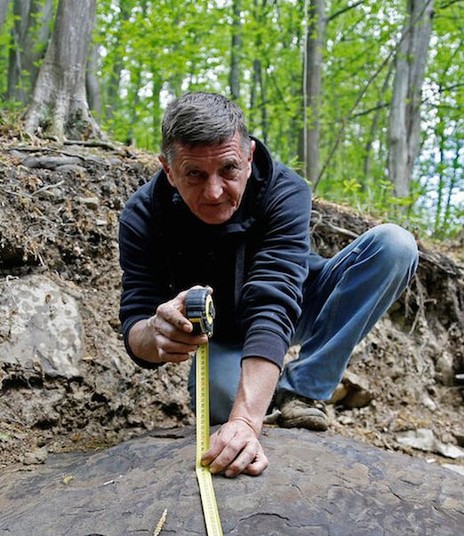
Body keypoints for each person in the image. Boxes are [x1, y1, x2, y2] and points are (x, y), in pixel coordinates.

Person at [119, 92, 418, 478]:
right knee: (221, 410)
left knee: (394, 245)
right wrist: (154, 336)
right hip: (221, 335)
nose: (214, 192)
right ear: (168, 169)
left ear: (248, 157)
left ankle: (303, 388)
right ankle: (265, 389)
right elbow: (135, 323)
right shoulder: (142, 215)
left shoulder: (285, 190)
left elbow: (273, 301)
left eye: (228, 170)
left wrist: (248, 421)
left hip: (302, 304)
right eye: (194, 174)